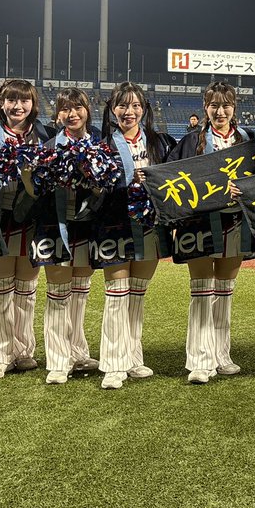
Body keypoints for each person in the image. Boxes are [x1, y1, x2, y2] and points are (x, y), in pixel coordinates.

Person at [167, 82, 255, 384]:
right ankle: (199, 359)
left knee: (224, 292)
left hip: (236, 223)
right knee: (201, 291)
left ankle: (221, 355)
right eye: (214, 105)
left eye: (226, 105)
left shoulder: (249, 140)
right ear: (205, 107)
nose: (220, 111)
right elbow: (171, 176)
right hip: (200, 224)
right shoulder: (189, 141)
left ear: (235, 107)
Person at [96, 83, 175, 389]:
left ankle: (133, 357)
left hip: (151, 225)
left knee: (137, 295)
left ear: (145, 109)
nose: (129, 112)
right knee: (117, 294)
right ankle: (113, 364)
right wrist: (127, 178)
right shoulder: (102, 143)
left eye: (136, 106)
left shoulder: (161, 142)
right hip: (113, 225)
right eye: (122, 106)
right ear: (112, 110)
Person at [0, 79, 50, 380]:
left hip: (34, 224)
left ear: (33, 104)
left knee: (26, 290)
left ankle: (24, 351)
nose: (18, 107)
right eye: (11, 100)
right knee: (1, 290)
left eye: (25, 101)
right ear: (0, 104)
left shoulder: (46, 138)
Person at [32, 88, 100, 384]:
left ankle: (77, 350)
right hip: (54, 226)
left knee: (81, 291)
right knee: (58, 293)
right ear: (57, 114)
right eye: (65, 109)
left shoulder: (101, 143)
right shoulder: (48, 148)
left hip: (88, 227)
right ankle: (58, 360)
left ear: (87, 110)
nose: (71, 114)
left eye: (77, 107)